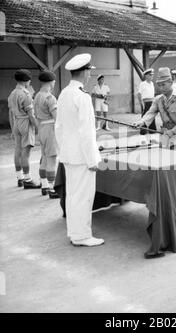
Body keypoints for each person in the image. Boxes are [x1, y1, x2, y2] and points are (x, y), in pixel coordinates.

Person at [55, 53, 104, 247]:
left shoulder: (64, 93)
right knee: (83, 197)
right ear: (83, 73)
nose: (90, 75)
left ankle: (74, 233)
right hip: (83, 157)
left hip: (68, 154)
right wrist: (93, 160)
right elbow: (86, 133)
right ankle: (82, 236)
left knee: (73, 195)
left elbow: (58, 127)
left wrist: (64, 149)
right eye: (89, 72)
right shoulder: (82, 97)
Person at [134, 67, 176, 152]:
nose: (161, 88)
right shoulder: (158, 99)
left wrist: (172, 132)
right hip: (164, 137)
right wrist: (141, 122)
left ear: (171, 82)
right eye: (159, 85)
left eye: (163, 84)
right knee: (164, 161)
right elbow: (151, 113)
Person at [8, 69, 41, 189]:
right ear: (26, 81)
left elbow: (10, 114)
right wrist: (37, 128)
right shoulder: (25, 94)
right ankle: (28, 179)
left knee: (17, 150)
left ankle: (20, 178)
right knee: (26, 153)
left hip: (16, 122)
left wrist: (12, 128)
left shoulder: (12, 94)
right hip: (25, 122)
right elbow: (31, 115)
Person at [34, 70, 59, 199]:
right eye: (54, 81)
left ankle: (44, 186)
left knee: (44, 157)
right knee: (52, 159)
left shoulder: (37, 96)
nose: (54, 83)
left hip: (41, 127)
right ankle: (52, 188)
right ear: (50, 82)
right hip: (50, 128)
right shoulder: (50, 97)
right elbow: (57, 118)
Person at [137, 68, 156, 135]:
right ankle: (143, 131)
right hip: (146, 102)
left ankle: (152, 130)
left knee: (152, 116)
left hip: (152, 102)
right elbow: (139, 94)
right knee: (145, 116)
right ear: (146, 76)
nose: (152, 76)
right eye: (150, 75)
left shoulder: (152, 83)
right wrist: (141, 104)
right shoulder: (143, 84)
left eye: (152, 75)